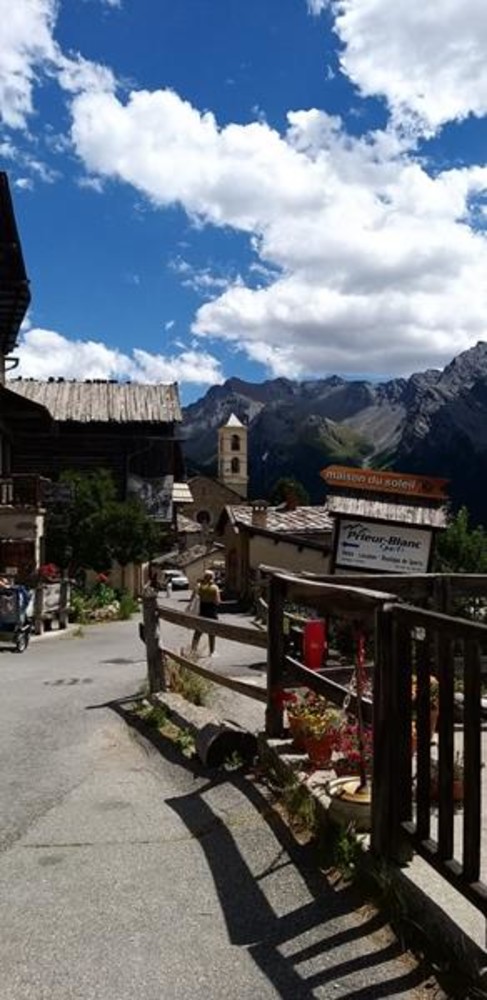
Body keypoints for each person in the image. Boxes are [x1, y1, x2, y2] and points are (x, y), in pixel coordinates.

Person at [191, 569, 221, 656]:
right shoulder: (215, 588)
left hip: (202, 611)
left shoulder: (199, 587)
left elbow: (193, 597)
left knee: (198, 632)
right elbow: (217, 601)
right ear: (212, 578)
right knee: (212, 633)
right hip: (212, 612)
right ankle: (212, 652)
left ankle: (193, 649)